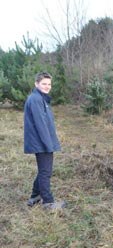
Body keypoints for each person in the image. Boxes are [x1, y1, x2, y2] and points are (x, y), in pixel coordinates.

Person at [24, 72, 67, 209]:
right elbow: (40, 124)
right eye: (44, 83)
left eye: (49, 84)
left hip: (41, 142)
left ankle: (35, 196)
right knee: (45, 172)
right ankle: (48, 202)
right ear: (36, 84)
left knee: (43, 170)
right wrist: (49, 145)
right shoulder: (36, 99)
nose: (47, 86)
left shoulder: (40, 98)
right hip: (41, 143)